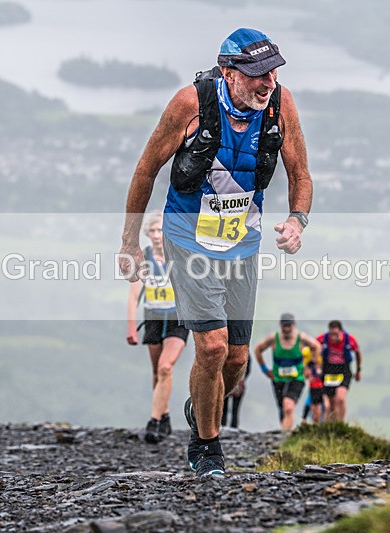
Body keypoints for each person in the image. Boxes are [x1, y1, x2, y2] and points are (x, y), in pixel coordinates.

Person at [118, 27, 313, 477]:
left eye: (274, 72)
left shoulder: (281, 105)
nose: (268, 82)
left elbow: (301, 173)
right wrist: (130, 242)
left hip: (243, 242)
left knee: (237, 359)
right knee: (212, 346)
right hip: (187, 237)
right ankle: (207, 446)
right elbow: (147, 171)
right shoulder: (190, 104)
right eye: (257, 74)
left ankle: (199, 407)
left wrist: (297, 220)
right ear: (229, 72)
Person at [126, 213, 190, 443]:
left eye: (160, 231)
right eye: (152, 231)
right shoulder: (142, 258)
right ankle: (164, 417)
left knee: (165, 367)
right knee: (157, 372)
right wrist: (131, 327)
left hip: (177, 318)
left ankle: (153, 421)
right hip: (153, 317)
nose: (156, 235)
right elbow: (134, 296)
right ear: (147, 234)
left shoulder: (179, 256)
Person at [253, 313, 321, 431]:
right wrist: (265, 369)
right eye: (284, 326)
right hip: (278, 378)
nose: (286, 329)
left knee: (288, 406)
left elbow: (317, 347)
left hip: (297, 378)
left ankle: (285, 436)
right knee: (282, 408)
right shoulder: (274, 338)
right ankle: (285, 433)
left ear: (294, 325)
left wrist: (309, 367)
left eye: (289, 325)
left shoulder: (301, 338)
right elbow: (258, 350)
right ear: (280, 325)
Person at [317, 320, 362, 422]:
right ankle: (332, 426)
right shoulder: (323, 339)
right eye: (331, 334)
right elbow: (313, 347)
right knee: (331, 403)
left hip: (343, 370)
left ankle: (341, 424)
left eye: (336, 335)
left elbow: (358, 352)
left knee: (340, 398)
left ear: (341, 332)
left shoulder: (349, 340)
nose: (333, 338)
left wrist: (358, 369)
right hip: (328, 370)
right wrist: (315, 366)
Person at [221, 353, 250, 428]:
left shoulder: (226, 354)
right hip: (237, 384)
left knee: (227, 409)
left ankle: (224, 427)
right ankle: (231, 428)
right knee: (233, 410)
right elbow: (248, 370)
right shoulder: (246, 355)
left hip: (228, 383)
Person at [301, 345, 325, 423]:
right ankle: (308, 421)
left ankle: (322, 422)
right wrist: (308, 375)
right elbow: (305, 374)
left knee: (323, 405)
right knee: (312, 404)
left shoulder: (322, 361)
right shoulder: (310, 364)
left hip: (322, 388)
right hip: (314, 387)